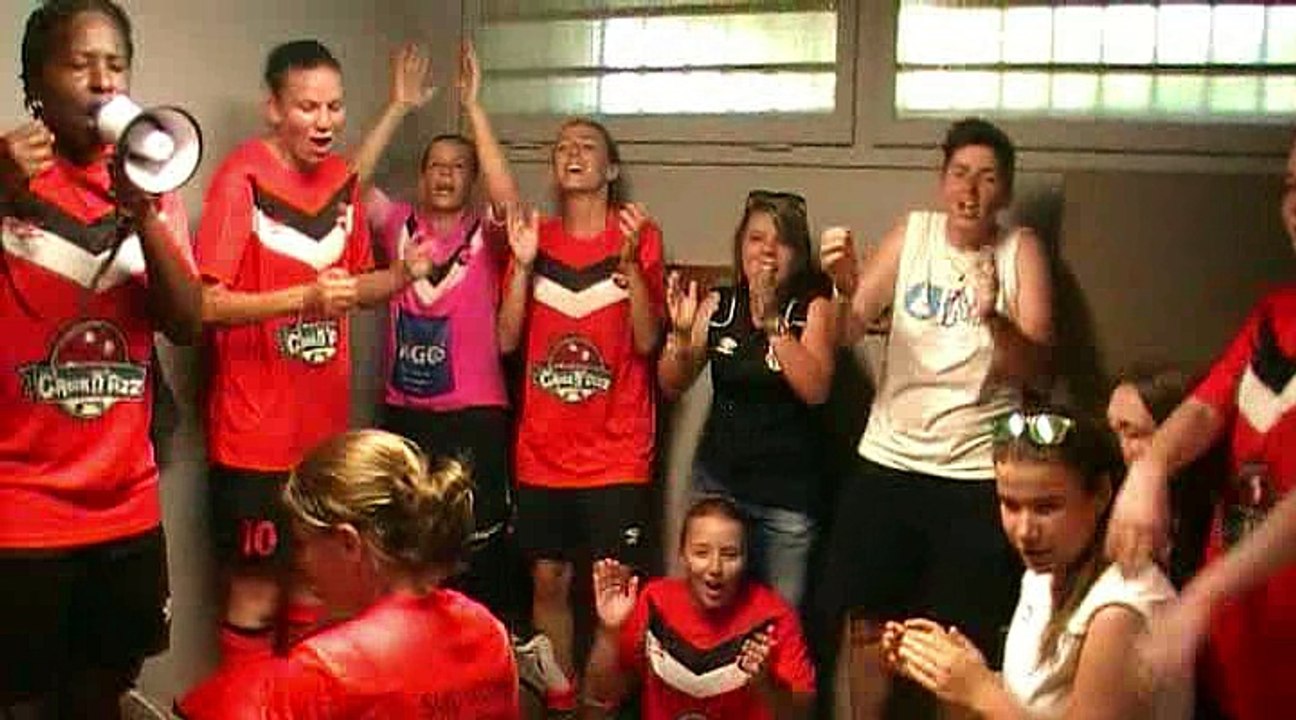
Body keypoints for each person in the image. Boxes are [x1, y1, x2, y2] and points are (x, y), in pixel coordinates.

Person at [195, 39, 436, 663]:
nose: (324, 122)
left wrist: (404, 274)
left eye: (334, 107)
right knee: (256, 596)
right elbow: (204, 306)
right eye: (308, 107)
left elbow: (354, 287)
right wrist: (302, 297)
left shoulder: (342, 184)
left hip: (325, 447)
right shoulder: (238, 180)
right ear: (273, 108)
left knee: (317, 590)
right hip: (253, 444)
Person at [0, 1, 202, 716]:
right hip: (21, 509)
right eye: (79, 63)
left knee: (103, 692)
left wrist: (145, 212)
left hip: (126, 507)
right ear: (35, 85)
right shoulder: (6, 180)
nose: (101, 81)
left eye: (115, 64)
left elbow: (186, 320)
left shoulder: (153, 182)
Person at [817, 117, 1053, 718]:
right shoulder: (914, 234)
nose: (971, 189)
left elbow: (1038, 373)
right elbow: (846, 332)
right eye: (960, 174)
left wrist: (993, 313)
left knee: (961, 646)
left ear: (1004, 190)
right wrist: (846, 286)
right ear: (942, 180)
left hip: (974, 473)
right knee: (868, 629)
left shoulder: (1020, 249)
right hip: (889, 460)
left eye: (988, 177)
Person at [1105, 132, 1296, 720]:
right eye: (1291, 187)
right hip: (1233, 645)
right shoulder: (1275, 312)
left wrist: (1202, 597)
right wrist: (1151, 471)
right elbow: (1206, 407)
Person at [347, 40, 524, 627]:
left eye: (459, 168)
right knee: (406, 546)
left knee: (475, 550)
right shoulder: (398, 223)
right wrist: (399, 106)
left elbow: (509, 201)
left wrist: (472, 108)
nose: (447, 175)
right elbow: (345, 186)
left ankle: (477, 654)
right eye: (437, 166)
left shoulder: (487, 235)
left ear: (470, 180)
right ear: (421, 178)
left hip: (474, 413)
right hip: (405, 414)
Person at [498, 117, 665, 710]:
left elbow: (648, 342)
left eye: (587, 147)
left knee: (613, 594)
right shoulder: (534, 236)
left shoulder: (638, 234)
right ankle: (561, 703)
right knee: (549, 580)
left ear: (611, 169)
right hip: (543, 449)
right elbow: (506, 339)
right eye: (562, 147)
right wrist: (519, 265)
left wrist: (632, 267)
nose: (572, 154)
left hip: (617, 450)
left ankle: (601, 708)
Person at [177, 429, 519, 718]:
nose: (301, 563)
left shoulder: (327, 668)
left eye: (303, 544)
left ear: (348, 543)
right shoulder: (489, 633)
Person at [884, 405, 1190, 720]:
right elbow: (1039, 708)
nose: (1026, 531)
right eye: (1010, 505)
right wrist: (957, 671)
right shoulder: (1042, 575)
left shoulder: (1119, 612)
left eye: (1046, 507)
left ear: (1100, 493)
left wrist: (981, 690)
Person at [658, 190, 835, 608]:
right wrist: (682, 340)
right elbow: (671, 384)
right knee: (703, 615)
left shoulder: (812, 307)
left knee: (776, 623)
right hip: (718, 487)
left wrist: (772, 320)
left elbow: (816, 390)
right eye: (756, 239)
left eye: (781, 242)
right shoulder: (721, 304)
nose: (767, 251)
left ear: (799, 252)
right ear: (741, 246)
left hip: (786, 502)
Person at [583, 497, 816, 719]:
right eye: (701, 553)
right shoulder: (655, 600)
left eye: (730, 554)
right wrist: (610, 632)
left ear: (745, 560)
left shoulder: (774, 615)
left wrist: (766, 684)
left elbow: (802, 715)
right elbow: (603, 699)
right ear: (683, 556)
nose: (715, 567)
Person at [1106, 363, 1220, 588]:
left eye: (1134, 433)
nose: (1120, 450)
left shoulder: (1219, 513)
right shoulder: (1114, 496)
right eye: (1114, 432)